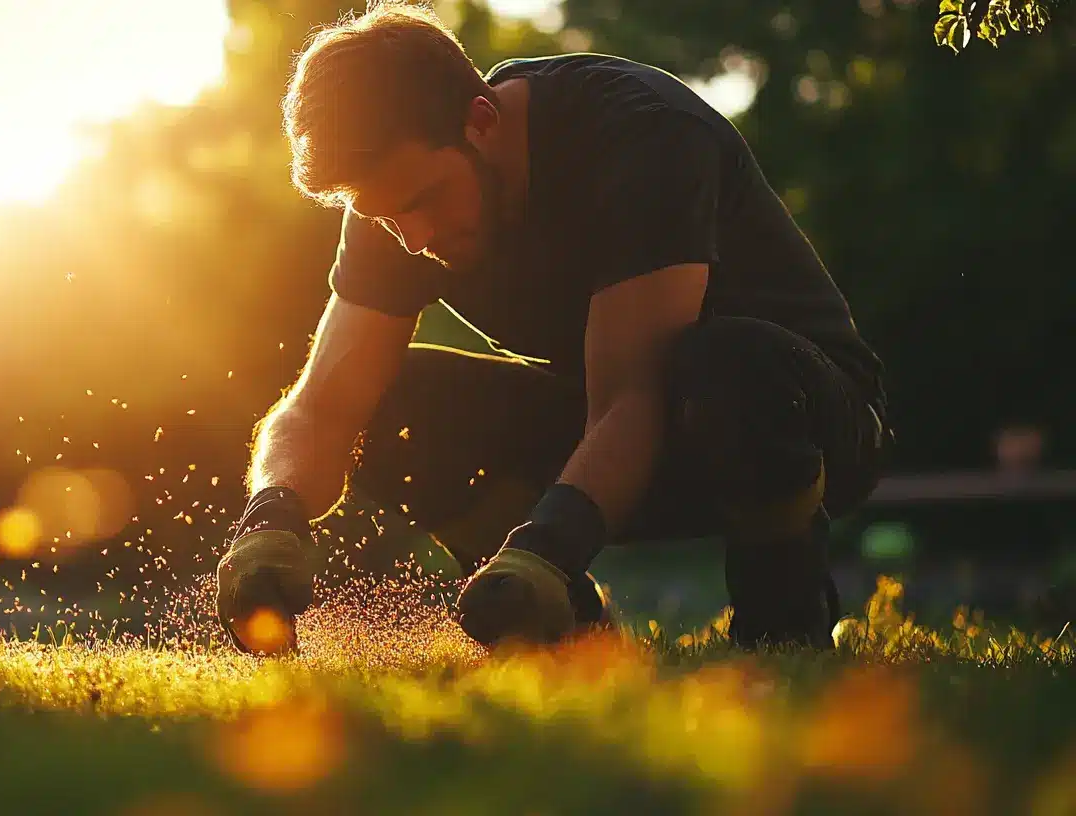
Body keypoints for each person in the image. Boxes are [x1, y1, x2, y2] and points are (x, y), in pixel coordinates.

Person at [214, 1, 892, 654]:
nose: (412, 238)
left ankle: (782, 631)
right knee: (396, 400)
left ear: (480, 118)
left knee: (725, 365)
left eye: (423, 202)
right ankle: (560, 632)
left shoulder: (643, 136)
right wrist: (269, 520)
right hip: (619, 433)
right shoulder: (398, 198)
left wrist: (547, 551)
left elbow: (634, 396)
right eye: (387, 218)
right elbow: (322, 406)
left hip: (803, 421)